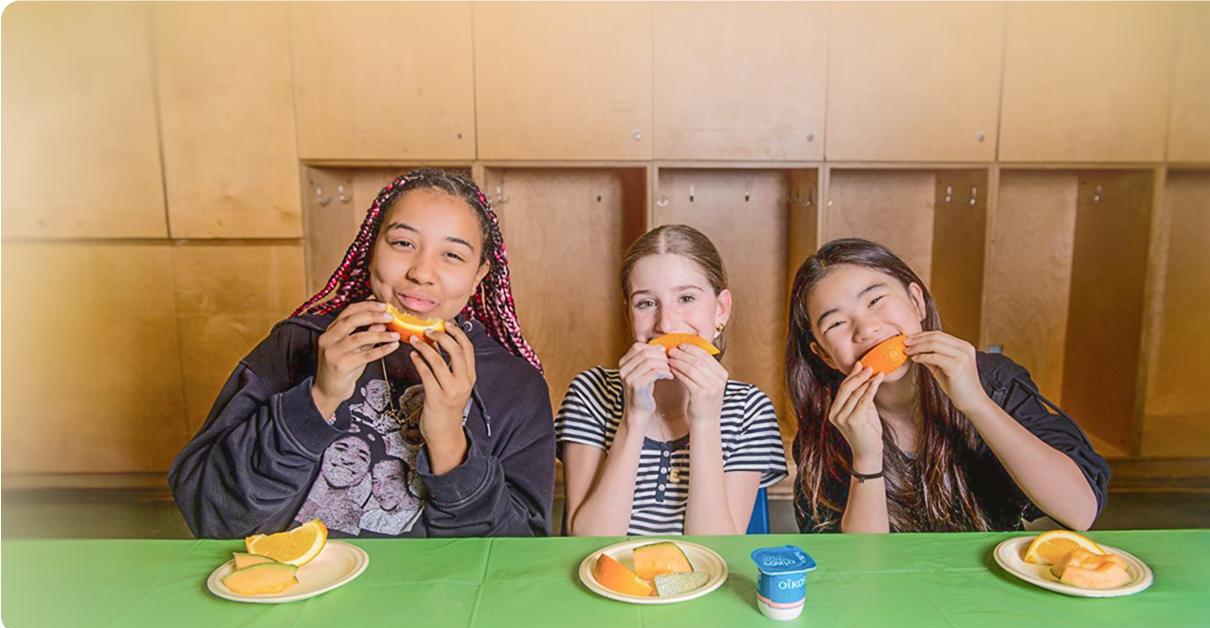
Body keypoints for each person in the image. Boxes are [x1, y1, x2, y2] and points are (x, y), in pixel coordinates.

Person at [169, 168, 554, 538]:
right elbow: (209, 514)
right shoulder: (297, 344)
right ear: (373, 249)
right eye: (403, 244)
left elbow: (515, 556)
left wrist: (450, 441)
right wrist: (317, 398)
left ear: (479, 276)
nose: (422, 272)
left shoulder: (516, 386)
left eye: (452, 255)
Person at [786, 238, 1110, 533]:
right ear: (824, 355)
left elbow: (1080, 512)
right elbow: (860, 570)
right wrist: (866, 457)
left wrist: (976, 404)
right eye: (837, 323)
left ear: (916, 301)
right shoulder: (825, 429)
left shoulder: (993, 382)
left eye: (875, 300)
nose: (866, 329)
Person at [556, 224, 787, 536]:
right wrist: (634, 418)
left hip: (703, 582)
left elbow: (717, 550)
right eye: (646, 303)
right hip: (608, 581)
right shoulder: (590, 392)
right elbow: (586, 541)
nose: (666, 323)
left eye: (687, 298)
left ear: (720, 310)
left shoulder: (749, 409)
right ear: (630, 315)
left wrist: (705, 422)